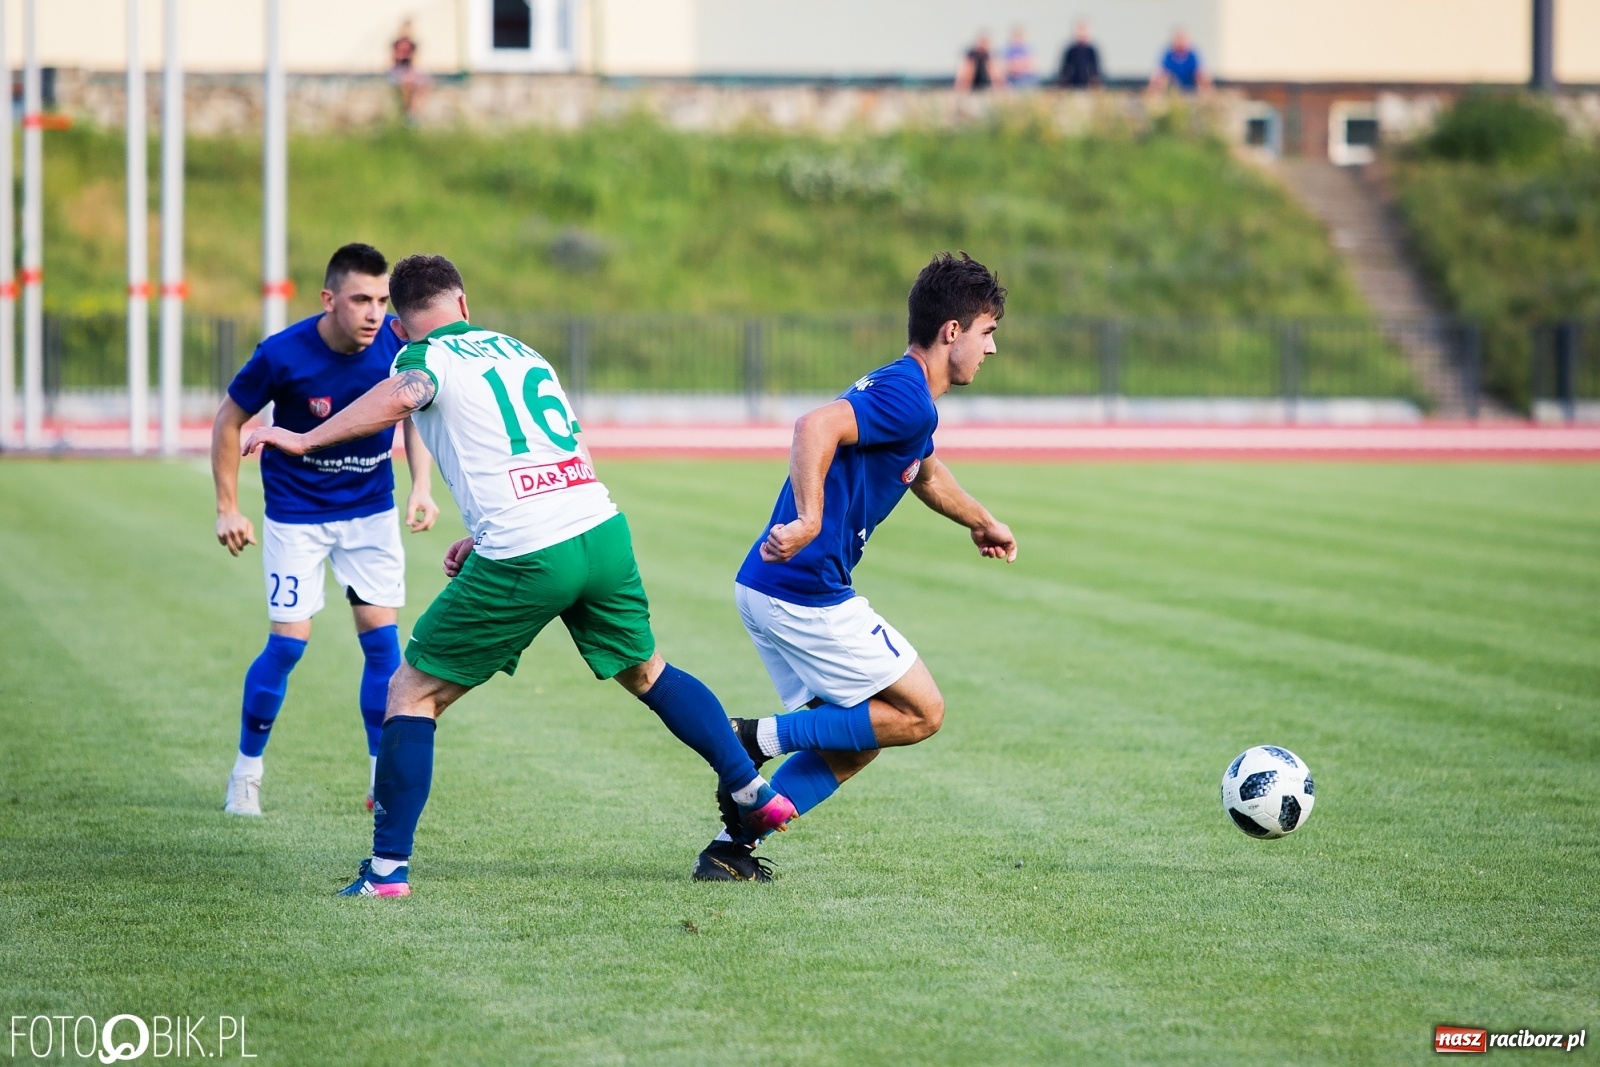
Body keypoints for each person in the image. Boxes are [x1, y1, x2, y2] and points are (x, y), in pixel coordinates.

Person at [241, 254, 796, 898]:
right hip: (600, 530)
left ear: (398, 325)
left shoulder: (420, 357)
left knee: (412, 693)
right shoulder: (522, 351)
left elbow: (405, 397)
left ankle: (387, 873)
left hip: (531, 551)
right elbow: (538, 454)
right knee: (648, 670)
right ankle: (751, 789)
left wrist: (305, 440)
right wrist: (479, 535)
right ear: (465, 304)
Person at [691, 253, 1019, 882]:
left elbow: (924, 469)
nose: (992, 347)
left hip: (770, 590)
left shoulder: (906, 393)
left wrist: (980, 519)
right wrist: (811, 517)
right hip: (804, 591)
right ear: (953, 331)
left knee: (859, 736)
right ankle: (753, 739)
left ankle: (732, 847)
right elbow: (815, 426)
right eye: (988, 331)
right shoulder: (908, 397)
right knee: (923, 713)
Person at [213, 243, 439, 818]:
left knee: (383, 648)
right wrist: (227, 506)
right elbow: (229, 418)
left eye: (381, 300)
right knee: (288, 644)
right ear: (329, 298)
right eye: (361, 299)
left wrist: (420, 487)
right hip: (296, 517)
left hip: (370, 513)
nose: (373, 312)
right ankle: (247, 774)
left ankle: (376, 778)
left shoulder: (397, 343)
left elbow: (410, 412)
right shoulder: (283, 353)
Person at [1149, 29, 1211, 94]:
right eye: (1179, 39)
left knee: (1203, 76)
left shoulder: (1193, 56)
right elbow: (1161, 73)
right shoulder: (1168, 56)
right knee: (1158, 77)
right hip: (1171, 90)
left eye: (1183, 40)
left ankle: (1209, 97)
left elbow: (1199, 72)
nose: (1181, 42)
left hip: (1191, 89)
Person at [389, 20, 427, 122]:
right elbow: (393, 61)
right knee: (406, 85)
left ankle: (414, 110)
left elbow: (415, 62)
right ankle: (407, 113)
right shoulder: (396, 44)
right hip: (398, 71)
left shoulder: (412, 44)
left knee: (423, 84)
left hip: (410, 71)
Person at [1057, 21, 1102, 89]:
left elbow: (1095, 70)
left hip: (1087, 86)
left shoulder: (1091, 51)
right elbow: (1065, 69)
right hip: (1072, 85)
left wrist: (1094, 83)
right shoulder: (1071, 51)